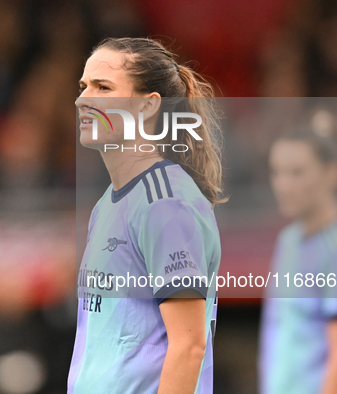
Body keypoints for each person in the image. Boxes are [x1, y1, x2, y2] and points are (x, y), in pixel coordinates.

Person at [68, 37, 224, 394]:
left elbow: (189, 347)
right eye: (83, 86)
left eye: (102, 87)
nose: (82, 99)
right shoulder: (108, 202)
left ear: (147, 106)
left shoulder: (165, 202)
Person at [259, 110, 337, 394]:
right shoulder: (288, 240)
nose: (283, 185)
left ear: (332, 173)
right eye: (277, 172)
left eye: (297, 172)